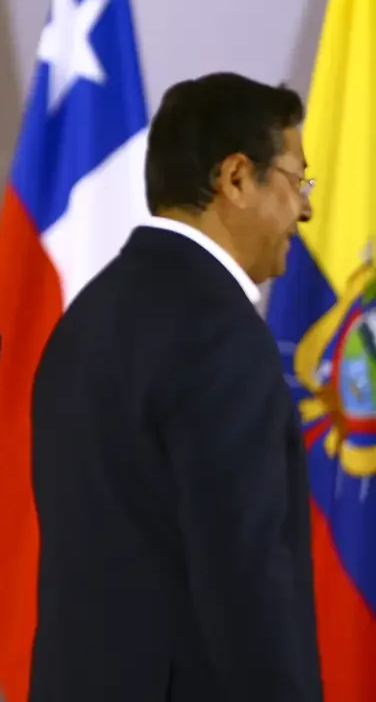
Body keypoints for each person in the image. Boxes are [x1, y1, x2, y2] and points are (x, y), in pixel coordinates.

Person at [29, 72, 322, 702]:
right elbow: (245, 583)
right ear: (236, 178)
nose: (305, 209)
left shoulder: (84, 321)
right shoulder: (222, 334)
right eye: (297, 180)